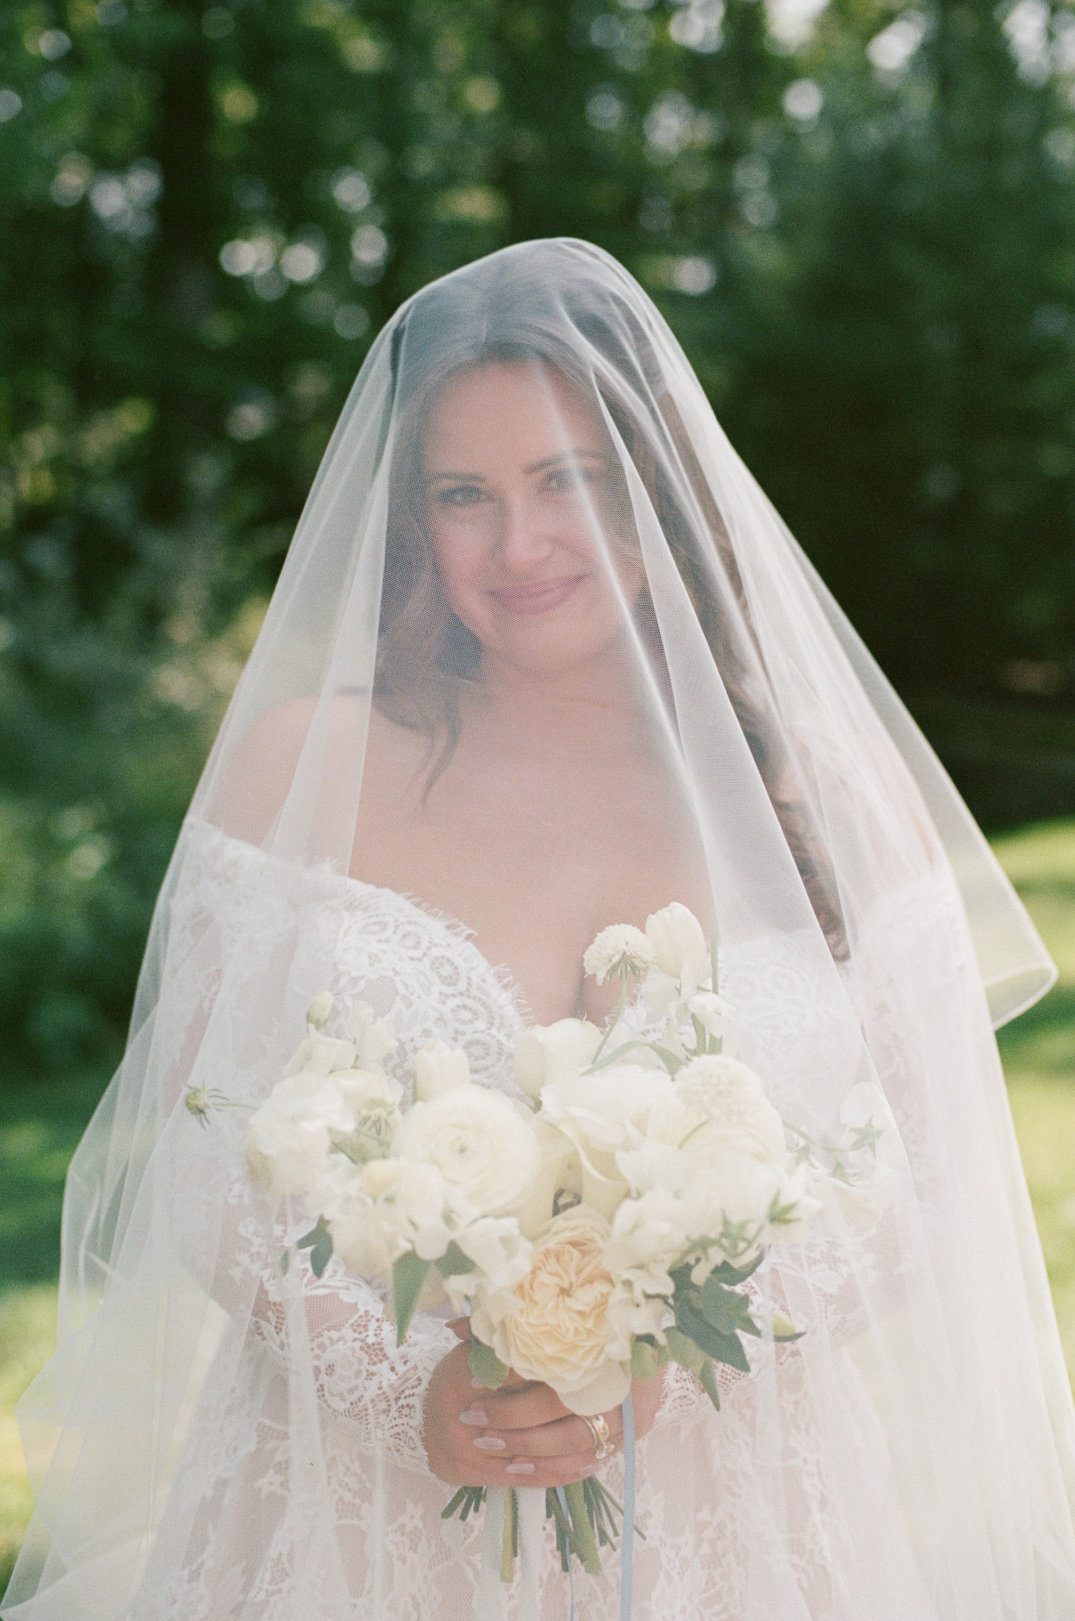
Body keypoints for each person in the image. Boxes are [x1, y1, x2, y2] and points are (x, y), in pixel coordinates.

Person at [5, 238, 1075, 1621]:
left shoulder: (829, 795)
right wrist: (406, 1382)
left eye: (565, 479)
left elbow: (923, 1177)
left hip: (733, 1521)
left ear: (654, 491)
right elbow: (206, 1151)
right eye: (464, 494)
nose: (518, 547)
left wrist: (656, 1353)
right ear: (410, 523)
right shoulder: (300, 769)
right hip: (348, 1524)